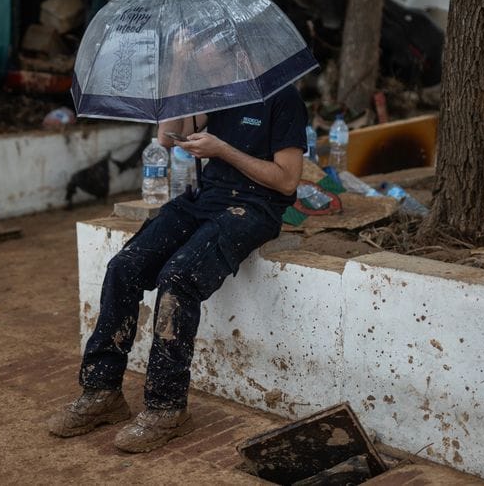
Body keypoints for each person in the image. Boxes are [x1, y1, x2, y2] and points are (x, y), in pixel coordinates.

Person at [46, 82, 307, 453]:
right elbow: (166, 139)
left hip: (255, 207)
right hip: (205, 199)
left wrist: (222, 150)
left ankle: (166, 408)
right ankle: (101, 390)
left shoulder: (283, 97)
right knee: (124, 266)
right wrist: (180, 82)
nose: (203, 51)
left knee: (178, 278)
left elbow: (287, 179)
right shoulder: (213, 89)